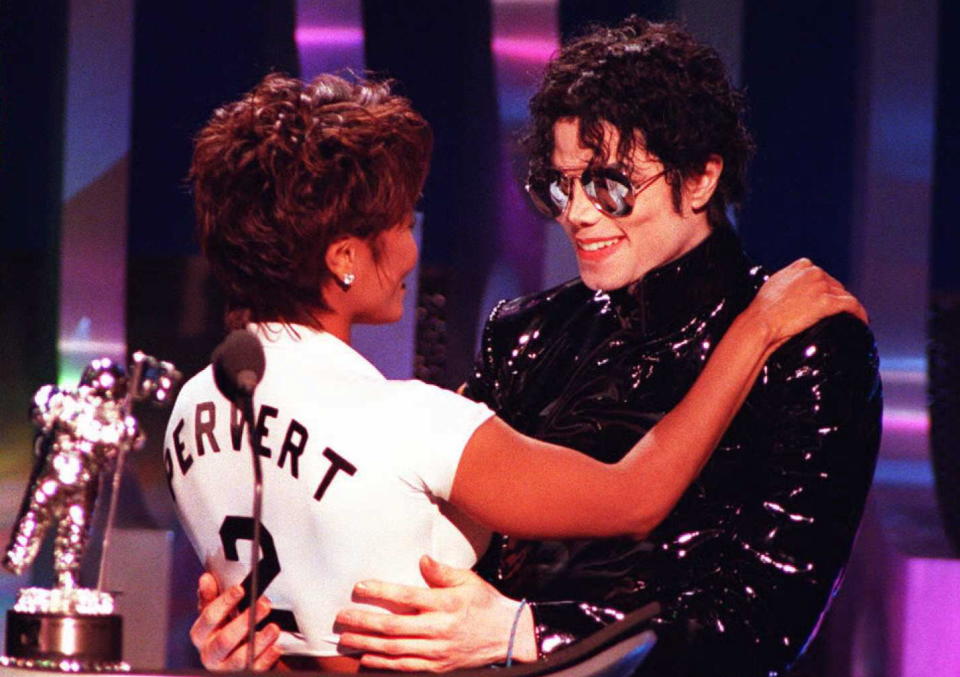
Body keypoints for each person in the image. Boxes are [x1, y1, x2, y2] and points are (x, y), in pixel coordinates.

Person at [170, 67, 866, 674]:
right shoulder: (523, 335)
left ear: (703, 175)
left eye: (610, 183)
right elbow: (419, 582)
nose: (579, 214)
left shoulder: (809, 343)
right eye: (560, 185)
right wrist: (263, 643)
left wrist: (529, 632)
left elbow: (763, 623)